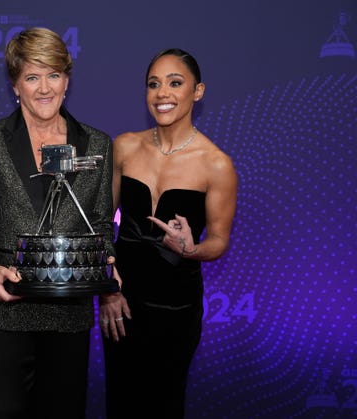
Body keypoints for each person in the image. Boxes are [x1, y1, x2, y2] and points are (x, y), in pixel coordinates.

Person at [0, 27, 115, 419]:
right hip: (3, 312)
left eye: (54, 75)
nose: (44, 88)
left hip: (68, 314)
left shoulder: (97, 144)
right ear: (16, 85)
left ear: (67, 80)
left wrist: (106, 260)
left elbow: (99, 220)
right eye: (32, 76)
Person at [100, 48, 238, 418]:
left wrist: (191, 249)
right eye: (153, 84)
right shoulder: (125, 146)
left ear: (198, 91)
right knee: (121, 401)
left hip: (176, 306)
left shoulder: (217, 164)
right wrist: (108, 289)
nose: (163, 93)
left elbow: (219, 241)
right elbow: (100, 224)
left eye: (175, 83)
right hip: (123, 301)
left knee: (164, 403)